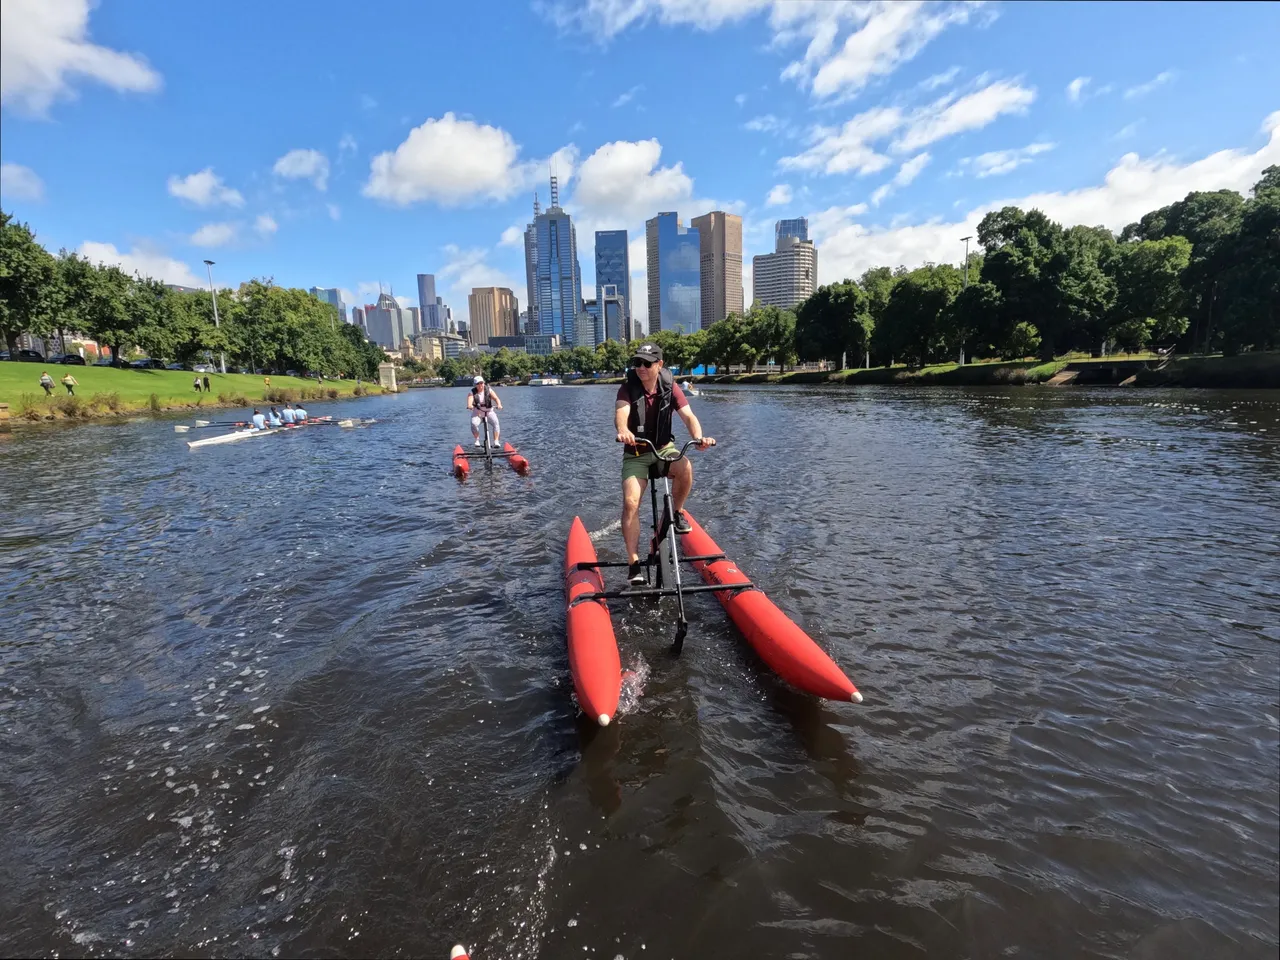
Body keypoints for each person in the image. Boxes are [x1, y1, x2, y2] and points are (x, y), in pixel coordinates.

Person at [614, 343, 714, 584]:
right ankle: (634, 564)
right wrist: (623, 430)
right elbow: (621, 414)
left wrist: (698, 437)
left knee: (685, 467)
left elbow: (689, 416)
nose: (641, 368)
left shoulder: (670, 387)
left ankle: (677, 513)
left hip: (662, 449)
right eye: (637, 363)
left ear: (659, 365)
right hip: (636, 452)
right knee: (630, 503)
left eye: (647, 363)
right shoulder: (628, 388)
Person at [467, 375, 502, 447]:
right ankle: (477, 440)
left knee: (496, 423)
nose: (480, 385)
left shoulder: (489, 390)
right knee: (473, 424)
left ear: (484, 383)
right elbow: (470, 401)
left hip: (489, 412)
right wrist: (470, 405)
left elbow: (496, 398)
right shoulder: (472, 392)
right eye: (478, 384)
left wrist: (499, 404)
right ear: (475, 385)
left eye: (481, 383)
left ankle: (496, 441)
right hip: (478, 413)